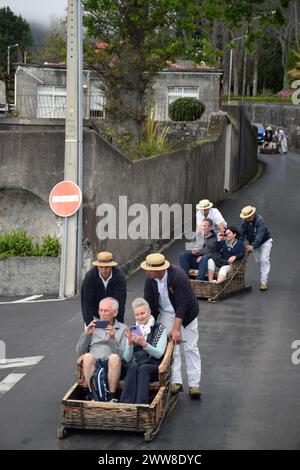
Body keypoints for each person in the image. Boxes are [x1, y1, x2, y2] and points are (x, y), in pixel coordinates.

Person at [141, 253, 201, 399]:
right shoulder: (150, 280)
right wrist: (149, 326)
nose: (146, 272)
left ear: (159, 269)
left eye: (149, 269)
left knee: (190, 347)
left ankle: (194, 385)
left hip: (186, 314)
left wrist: (176, 329)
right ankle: (176, 381)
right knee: (170, 349)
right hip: (166, 314)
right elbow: (150, 305)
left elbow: (182, 305)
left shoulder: (178, 276)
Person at [76, 297, 127, 402]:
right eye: (101, 310)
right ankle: (93, 394)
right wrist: (87, 335)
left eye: (106, 311)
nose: (102, 314)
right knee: (87, 356)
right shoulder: (92, 327)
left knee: (114, 357)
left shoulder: (123, 328)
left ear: (115, 312)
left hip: (112, 365)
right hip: (93, 364)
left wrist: (112, 339)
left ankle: (111, 396)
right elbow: (79, 352)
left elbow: (123, 355)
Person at [120, 298, 168, 404]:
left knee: (143, 368)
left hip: (153, 364)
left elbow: (159, 354)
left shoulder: (159, 328)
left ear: (149, 311)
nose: (140, 317)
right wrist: (129, 344)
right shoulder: (133, 329)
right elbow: (127, 358)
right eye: (137, 314)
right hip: (136, 363)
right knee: (132, 366)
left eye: (143, 313)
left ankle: (141, 404)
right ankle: (126, 403)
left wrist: (144, 344)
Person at [81, 251, 127, 325]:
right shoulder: (90, 277)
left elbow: (120, 303)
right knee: (93, 336)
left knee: (113, 335)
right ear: (97, 266)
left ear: (111, 266)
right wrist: (89, 323)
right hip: (94, 316)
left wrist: (119, 324)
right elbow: (87, 302)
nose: (104, 271)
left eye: (107, 267)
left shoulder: (119, 277)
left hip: (111, 317)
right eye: (101, 267)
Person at [239, 206, 273, 290]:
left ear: (253, 214)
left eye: (248, 217)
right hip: (253, 244)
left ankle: (263, 282)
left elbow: (259, 236)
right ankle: (264, 260)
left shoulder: (260, 220)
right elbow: (241, 235)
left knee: (264, 260)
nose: (247, 219)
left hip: (265, 241)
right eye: (245, 217)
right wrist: (239, 245)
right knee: (259, 260)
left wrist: (252, 246)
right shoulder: (244, 222)